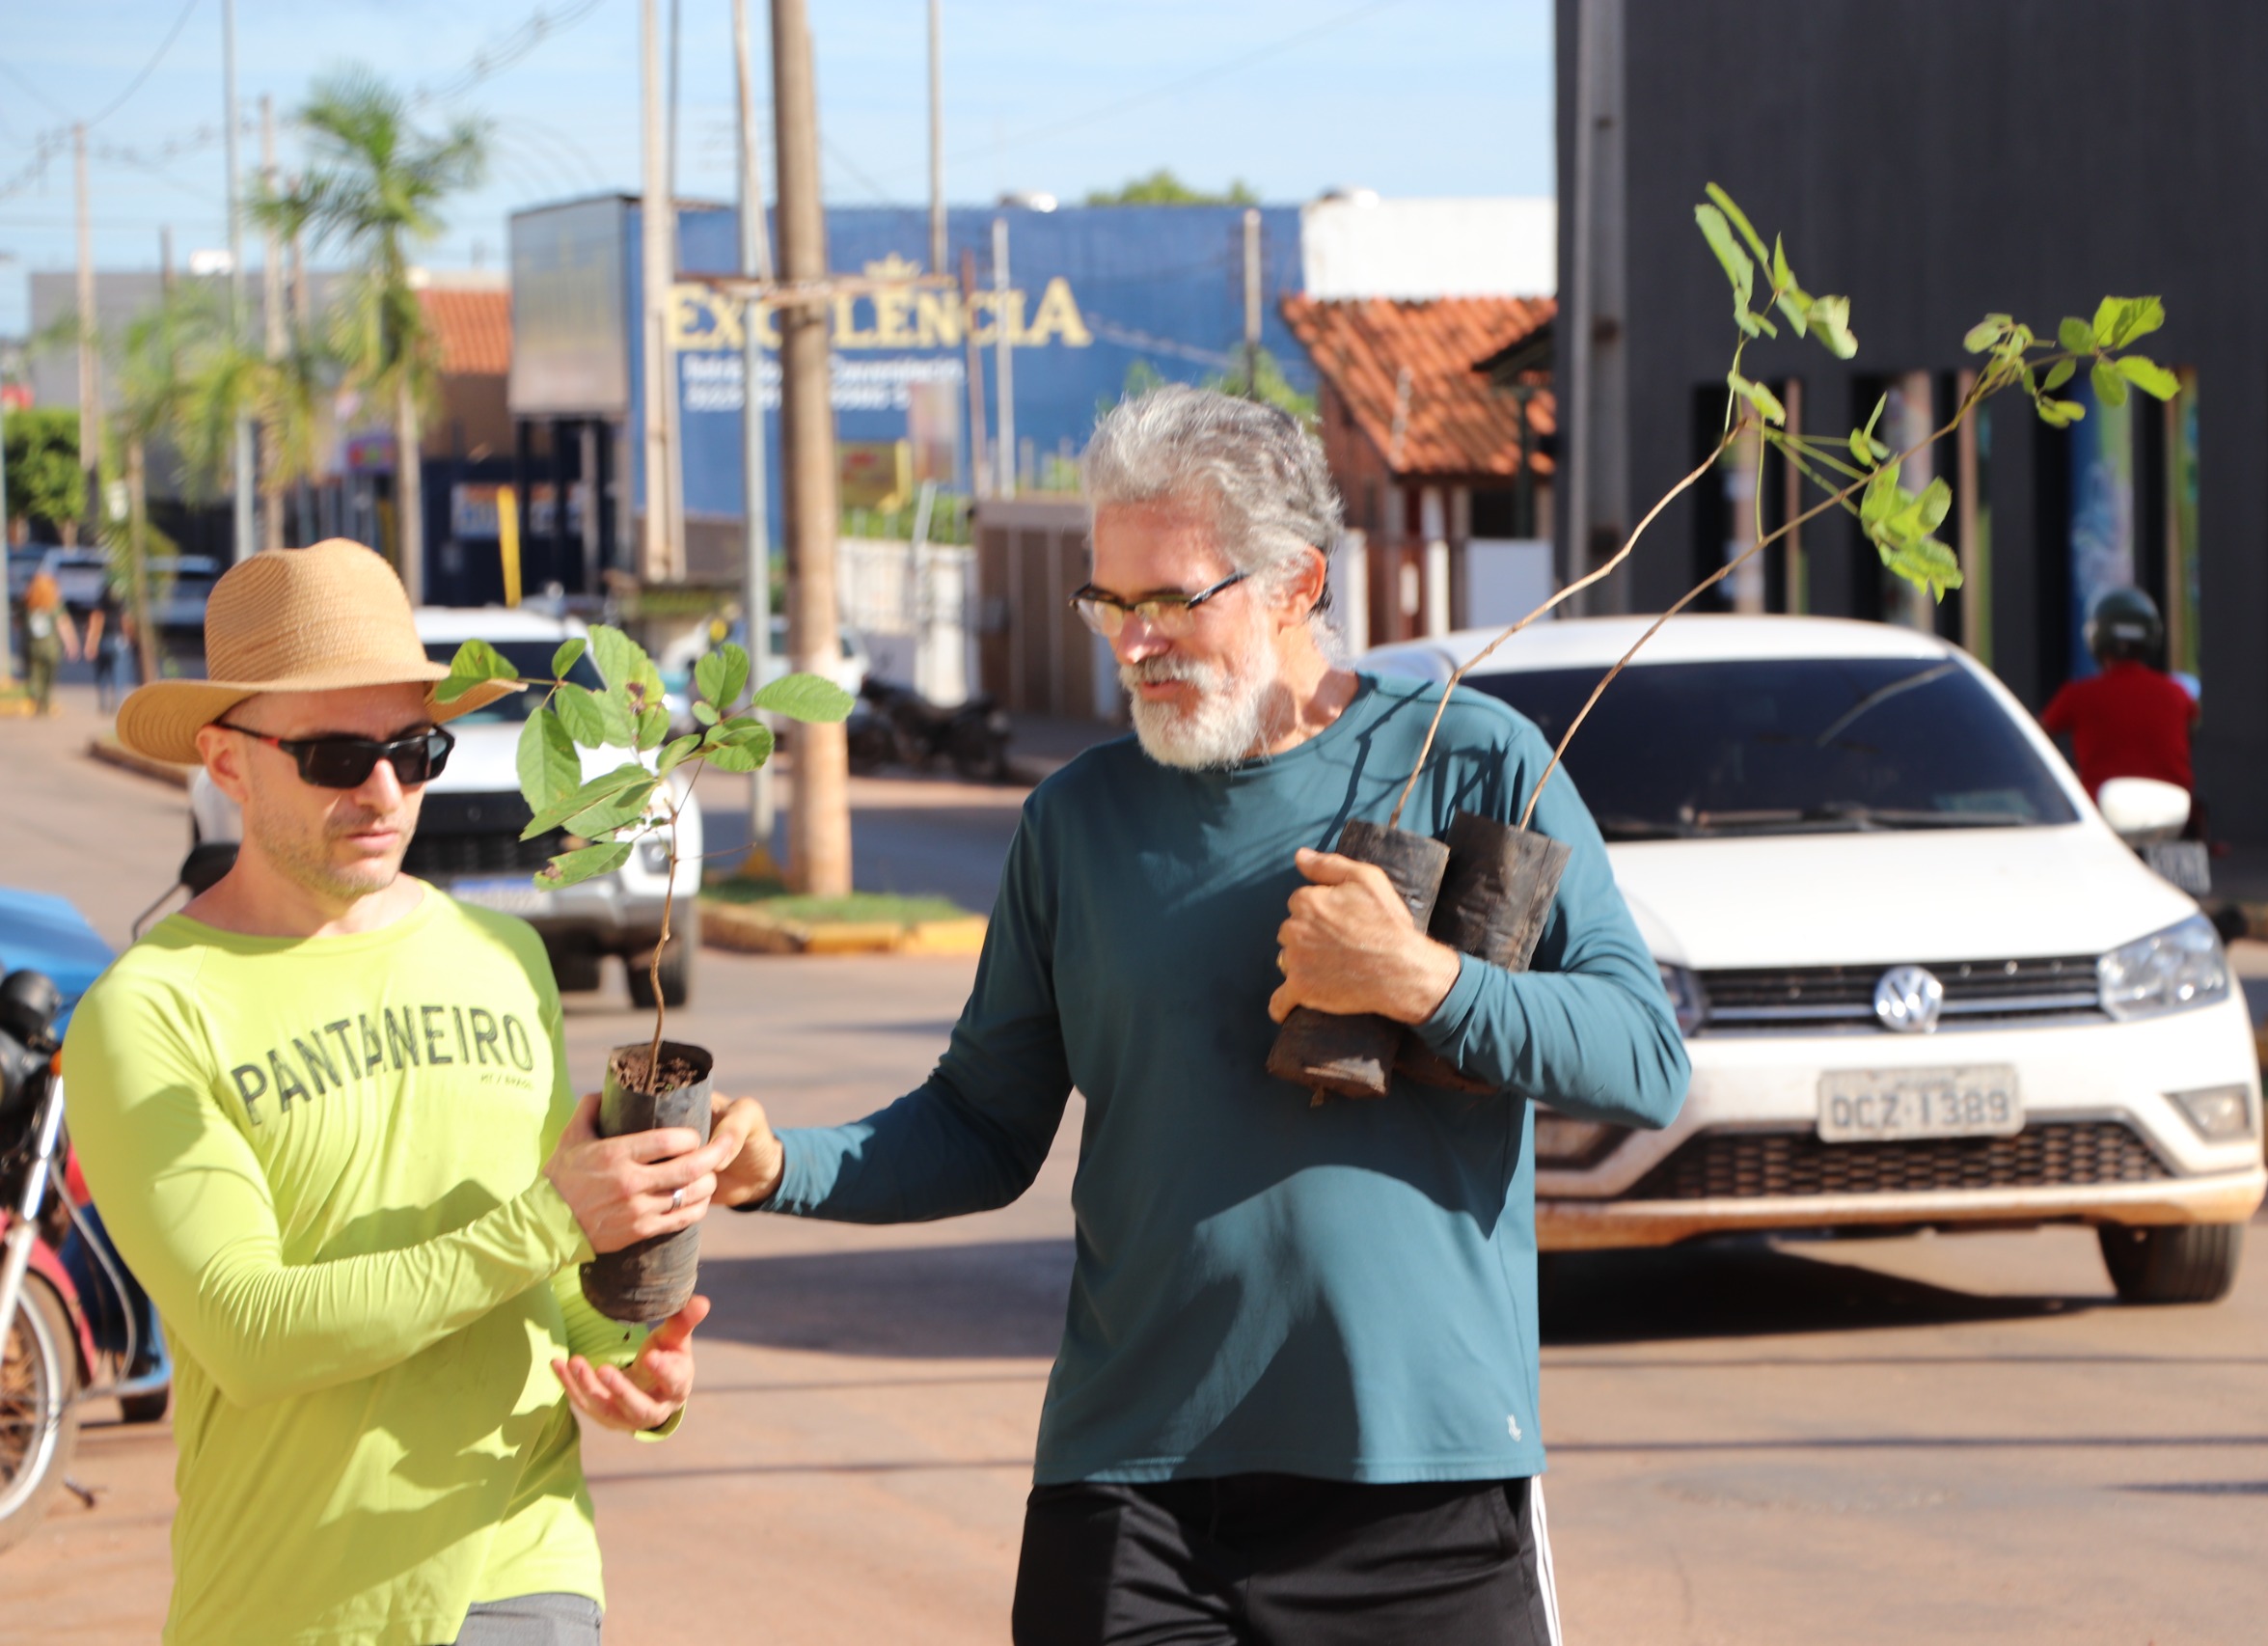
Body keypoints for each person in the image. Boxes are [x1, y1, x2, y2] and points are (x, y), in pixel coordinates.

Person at [711, 387, 1691, 1644]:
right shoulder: (1074, 823)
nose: (1135, 643)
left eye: (1175, 600)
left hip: (1424, 1488)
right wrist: (777, 1164)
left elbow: (1642, 1055)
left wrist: (1419, 981)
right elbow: (980, 1125)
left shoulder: (1472, 758)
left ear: (1296, 582)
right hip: (1136, 1496)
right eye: (1110, 603)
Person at [63, 538, 753, 1646]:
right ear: (225, 761)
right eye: (336, 754)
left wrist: (635, 1357)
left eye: (416, 747)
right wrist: (552, 1216)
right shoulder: (149, 1012)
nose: (386, 789)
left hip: (523, 1561)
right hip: (292, 1598)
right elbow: (250, 1329)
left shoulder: (502, 959)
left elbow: (551, 1286)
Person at [2039, 586, 2200, 802]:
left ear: (2096, 636)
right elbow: (2190, 734)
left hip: (2101, 821)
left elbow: (2034, 738)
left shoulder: (2078, 696)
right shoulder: (2177, 694)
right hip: (2175, 819)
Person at [21, 565, 62, 714]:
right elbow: (63, 623)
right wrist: (72, 642)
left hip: (33, 646)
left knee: (34, 675)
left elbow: (19, 624)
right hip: (51, 647)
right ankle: (44, 701)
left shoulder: (28, 604)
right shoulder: (53, 604)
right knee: (48, 676)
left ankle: (38, 700)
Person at [88, 574, 127, 709]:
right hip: (118, 641)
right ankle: (116, 703)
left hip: (103, 641)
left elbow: (96, 624)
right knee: (118, 674)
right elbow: (126, 623)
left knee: (102, 674)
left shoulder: (100, 607)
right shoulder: (121, 605)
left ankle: (103, 703)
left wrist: (91, 643)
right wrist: (128, 638)